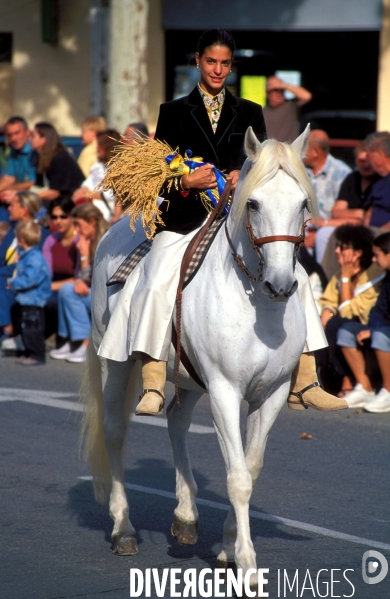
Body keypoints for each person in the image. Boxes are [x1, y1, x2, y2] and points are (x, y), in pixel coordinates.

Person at [98, 28, 347, 416]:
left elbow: (261, 165)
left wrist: (239, 174)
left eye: (224, 63)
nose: (217, 69)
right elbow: (154, 174)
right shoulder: (173, 111)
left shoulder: (249, 111)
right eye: (211, 61)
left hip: (234, 217)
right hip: (184, 219)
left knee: (295, 275)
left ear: (231, 67)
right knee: (157, 275)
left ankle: (307, 378)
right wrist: (184, 180)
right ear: (198, 61)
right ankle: (151, 377)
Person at [319, 225, 385, 394]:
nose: (337, 251)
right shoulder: (340, 273)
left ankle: (348, 380)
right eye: (337, 246)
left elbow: (350, 314)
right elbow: (328, 300)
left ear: (358, 253)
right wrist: (327, 311)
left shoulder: (374, 276)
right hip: (347, 331)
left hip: (365, 333)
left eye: (343, 247)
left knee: (337, 325)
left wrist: (346, 279)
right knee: (327, 323)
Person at [336, 232, 390, 412]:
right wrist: (372, 328)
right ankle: (365, 387)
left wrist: (375, 330)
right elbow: (379, 310)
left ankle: (388, 391)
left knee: (381, 335)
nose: (374, 260)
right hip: (382, 325)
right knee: (346, 330)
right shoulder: (388, 276)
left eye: (377, 255)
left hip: (386, 329)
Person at [49, 204, 108, 363]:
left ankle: (85, 343)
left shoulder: (107, 240)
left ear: (92, 222)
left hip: (107, 297)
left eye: (79, 224)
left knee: (68, 291)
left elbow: (101, 276)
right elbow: (83, 277)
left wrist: (84, 256)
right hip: (96, 293)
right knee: (67, 290)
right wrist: (83, 258)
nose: (77, 229)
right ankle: (72, 340)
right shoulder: (87, 240)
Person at [315, 141, 378, 267]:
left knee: (323, 233)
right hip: (347, 226)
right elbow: (336, 211)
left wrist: (326, 222)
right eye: (361, 161)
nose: (365, 165)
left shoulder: (380, 181)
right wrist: (359, 213)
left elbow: (367, 219)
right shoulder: (352, 178)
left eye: (368, 161)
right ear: (355, 160)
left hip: (370, 229)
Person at [0, 191, 49, 345]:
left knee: (2, 279)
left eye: (13, 205)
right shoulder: (13, 231)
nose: (8, 209)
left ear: (24, 210)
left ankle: (8, 327)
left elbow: (32, 265)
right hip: (9, 272)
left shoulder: (39, 234)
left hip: (25, 278)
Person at [7, 221, 51, 365]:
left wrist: (13, 283)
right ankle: (28, 353)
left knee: (33, 330)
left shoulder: (34, 258)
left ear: (22, 240)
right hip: (25, 300)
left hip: (33, 301)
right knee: (25, 328)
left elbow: (30, 279)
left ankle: (36, 355)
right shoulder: (26, 256)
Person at [42, 197, 80, 340]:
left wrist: (49, 286)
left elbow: (79, 277)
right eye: (54, 217)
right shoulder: (51, 239)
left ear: (72, 217)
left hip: (72, 284)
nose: (58, 221)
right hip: (53, 282)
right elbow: (46, 271)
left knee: (50, 300)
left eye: (63, 216)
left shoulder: (79, 240)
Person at [72, 129, 122, 222]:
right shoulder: (97, 166)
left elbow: (115, 195)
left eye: (100, 145)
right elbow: (88, 183)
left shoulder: (120, 169)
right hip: (89, 208)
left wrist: (92, 195)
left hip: (107, 215)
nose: (97, 148)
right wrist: (82, 190)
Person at [30, 122, 85, 206]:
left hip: (71, 202)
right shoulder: (39, 157)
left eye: (33, 136)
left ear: (44, 139)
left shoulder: (60, 158)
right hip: (54, 201)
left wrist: (29, 197)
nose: (30, 139)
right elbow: (39, 185)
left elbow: (56, 192)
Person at [303, 130, 352, 222]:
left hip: (328, 230)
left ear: (316, 151)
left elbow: (344, 212)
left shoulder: (341, 172)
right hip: (300, 231)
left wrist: (320, 230)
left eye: (304, 147)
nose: (301, 151)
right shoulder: (301, 170)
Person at [0, 116, 36, 221]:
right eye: (10, 135)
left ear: (27, 132)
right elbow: (8, 178)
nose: (14, 138)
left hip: (37, 202)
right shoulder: (14, 151)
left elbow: (34, 183)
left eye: (17, 133)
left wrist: (10, 190)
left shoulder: (35, 150)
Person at [262, 75, 312, 143]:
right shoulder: (262, 112)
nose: (279, 93)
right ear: (267, 93)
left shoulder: (291, 105)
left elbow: (307, 96)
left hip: (289, 151)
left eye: (281, 90)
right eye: (275, 90)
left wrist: (285, 85)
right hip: (270, 152)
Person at [363, 131, 390, 229]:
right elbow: (370, 210)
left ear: (380, 154)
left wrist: (379, 236)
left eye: (368, 154)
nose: (366, 158)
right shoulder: (377, 179)